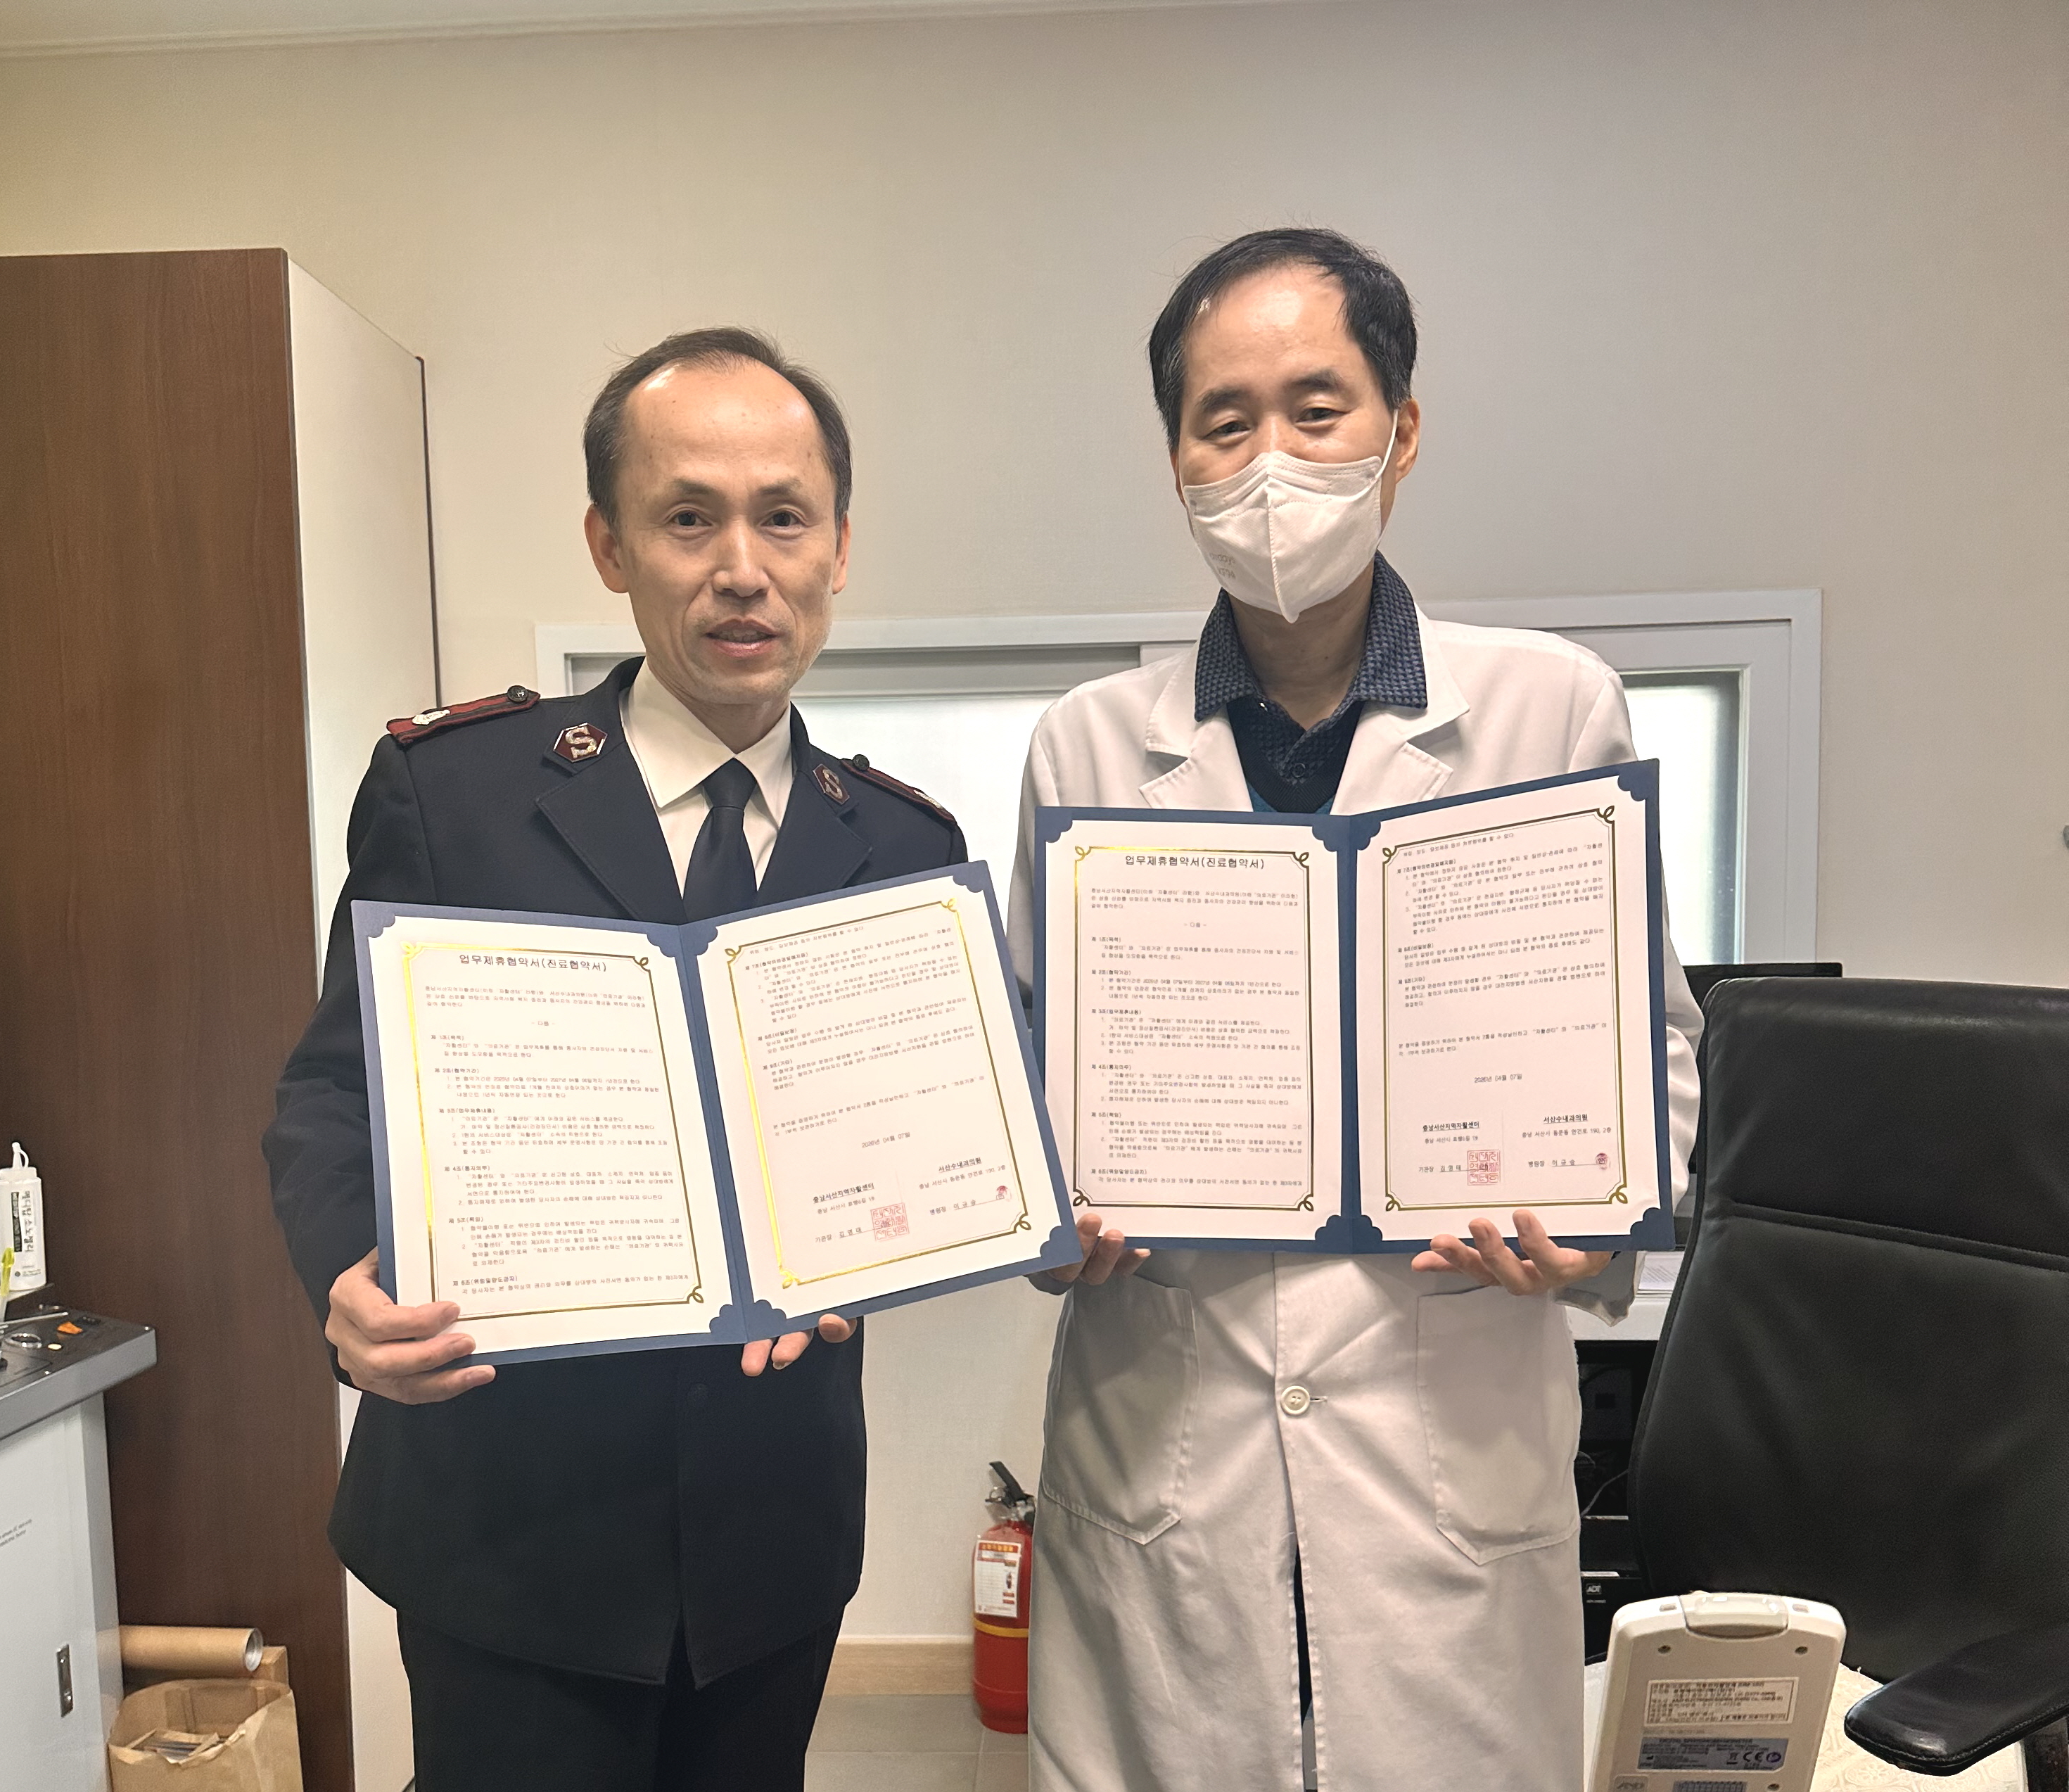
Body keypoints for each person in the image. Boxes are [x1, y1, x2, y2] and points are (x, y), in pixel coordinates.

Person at [1005, 229, 1703, 1791]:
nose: (1270, 462)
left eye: (1316, 408)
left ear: (1401, 428)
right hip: (1169, 1444)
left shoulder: (1548, 705)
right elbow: (1029, 1080)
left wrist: (1595, 1228)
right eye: (1223, 419)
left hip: (1443, 1440)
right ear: (1175, 457)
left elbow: (1648, 1043)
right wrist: (1047, 1221)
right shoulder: (1086, 746)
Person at [264, 328, 964, 1791]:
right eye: (687, 516)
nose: (741, 568)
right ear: (609, 545)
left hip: (771, 1531)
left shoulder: (905, 848)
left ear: (839, 547)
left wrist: (890, 1245)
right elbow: (334, 1089)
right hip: (505, 1522)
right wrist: (344, 1282)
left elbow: (919, 1143)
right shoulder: (455, 794)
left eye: (784, 517)